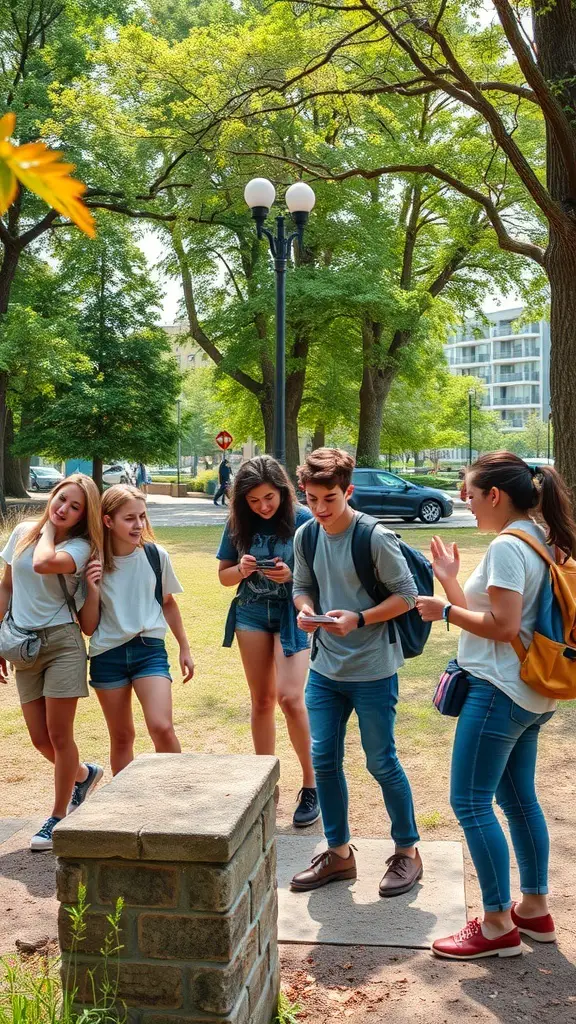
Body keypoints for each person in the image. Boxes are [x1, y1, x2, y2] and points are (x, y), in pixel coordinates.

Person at [416, 452, 576, 960]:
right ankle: (533, 909)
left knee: (469, 802)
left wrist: (443, 610)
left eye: (468, 493)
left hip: (498, 692)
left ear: (495, 495)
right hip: (531, 693)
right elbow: (499, 616)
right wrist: (450, 581)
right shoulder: (544, 538)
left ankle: (495, 924)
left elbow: (503, 628)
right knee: (516, 800)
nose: (465, 502)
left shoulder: (510, 546)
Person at [290, 448, 422, 894]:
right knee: (323, 760)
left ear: (348, 491)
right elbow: (302, 587)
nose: (321, 509)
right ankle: (339, 853)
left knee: (381, 761)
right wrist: (307, 611)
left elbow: (407, 596)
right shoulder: (306, 536)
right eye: (312, 499)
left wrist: (360, 619)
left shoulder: (375, 537)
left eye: (330, 499)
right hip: (325, 668)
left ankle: (407, 851)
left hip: (373, 669)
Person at [0, 475, 104, 851]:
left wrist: (47, 528)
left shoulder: (79, 546)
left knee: (60, 735)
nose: (64, 509)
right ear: (53, 494)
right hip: (23, 644)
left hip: (61, 645)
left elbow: (44, 564)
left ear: (83, 515)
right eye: (62, 499)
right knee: (39, 739)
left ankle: (57, 817)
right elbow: (7, 585)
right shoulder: (23, 530)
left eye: (75, 507)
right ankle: (84, 774)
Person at [217, 455, 319, 827]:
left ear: (283, 491)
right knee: (261, 700)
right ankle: (265, 785)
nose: (262, 506)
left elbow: (320, 578)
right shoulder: (236, 524)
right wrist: (240, 569)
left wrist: (292, 577)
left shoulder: (305, 521)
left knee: (290, 697)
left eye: (269, 498)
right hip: (252, 613)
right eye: (254, 500)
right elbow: (223, 577)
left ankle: (312, 783)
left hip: (294, 615)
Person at [79, 485, 194, 775]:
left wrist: (184, 647)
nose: (139, 524)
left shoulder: (156, 555)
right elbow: (89, 627)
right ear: (108, 521)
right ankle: (126, 812)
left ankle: (172, 794)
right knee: (121, 737)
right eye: (130, 518)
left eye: (142, 516)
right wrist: (92, 589)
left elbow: (168, 603)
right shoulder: (92, 562)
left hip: (149, 651)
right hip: (107, 655)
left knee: (162, 727)